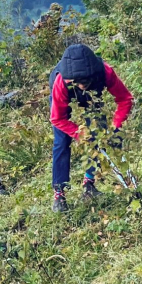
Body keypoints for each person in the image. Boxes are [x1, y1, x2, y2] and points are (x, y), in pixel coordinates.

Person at [49, 44, 134, 212]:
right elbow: (57, 118)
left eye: (85, 82)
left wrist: (116, 128)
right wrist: (78, 133)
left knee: (98, 135)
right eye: (78, 83)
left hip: (92, 100)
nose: (82, 86)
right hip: (64, 100)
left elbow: (125, 98)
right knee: (61, 142)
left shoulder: (104, 73)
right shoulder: (62, 82)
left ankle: (89, 184)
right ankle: (59, 194)